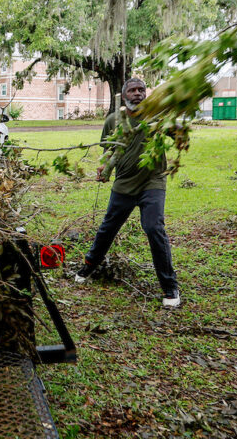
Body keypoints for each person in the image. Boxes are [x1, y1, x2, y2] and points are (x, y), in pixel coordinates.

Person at [74, 77, 181, 308]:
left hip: (152, 181)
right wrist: (103, 169)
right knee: (108, 228)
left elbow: (178, 134)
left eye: (141, 90)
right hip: (124, 182)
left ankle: (170, 287)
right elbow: (108, 150)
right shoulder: (114, 120)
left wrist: (176, 119)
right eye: (132, 90)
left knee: (154, 228)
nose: (137, 93)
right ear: (124, 96)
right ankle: (89, 266)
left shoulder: (156, 117)